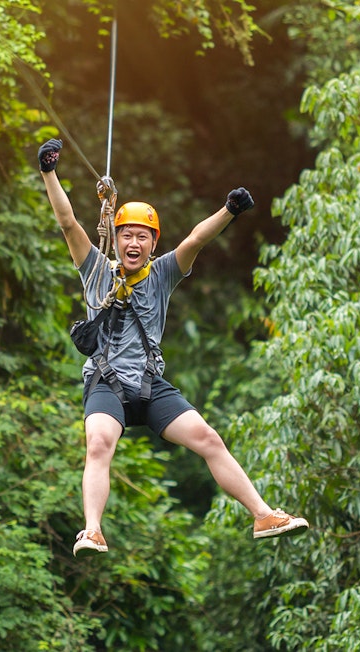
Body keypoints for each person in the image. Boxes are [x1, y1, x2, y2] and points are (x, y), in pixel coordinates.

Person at [38, 138, 308, 558]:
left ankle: (262, 514)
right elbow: (67, 222)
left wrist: (229, 210)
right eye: (126, 234)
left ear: (152, 242)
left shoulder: (163, 273)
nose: (132, 243)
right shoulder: (95, 269)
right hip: (106, 383)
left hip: (148, 385)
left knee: (208, 438)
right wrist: (49, 172)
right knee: (99, 443)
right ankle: (92, 530)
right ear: (116, 235)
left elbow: (195, 240)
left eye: (142, 237)